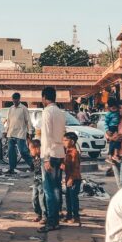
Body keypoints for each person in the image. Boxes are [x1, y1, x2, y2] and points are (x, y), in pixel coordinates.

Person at [39, 87, 65, 233]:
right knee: (56, 188)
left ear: (44, 98)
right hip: (59, 152)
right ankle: (55, 219)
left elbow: (47, 135)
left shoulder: (47, 112)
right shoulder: (61, 112)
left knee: (49, 190)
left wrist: (47, 158)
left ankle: (52, 221)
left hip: (49, 154)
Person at [4, 92, 33, 175]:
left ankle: (32, 165)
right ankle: (12, 168)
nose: (14, 101)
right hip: (11, 133)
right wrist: (6, 131)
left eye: (16, 99)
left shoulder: (23, 108)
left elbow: (28, 121)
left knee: (23, 151)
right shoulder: (10, 108)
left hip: (20, 133)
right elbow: (8, 121)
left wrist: (30, 131)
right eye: (13, 100)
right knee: (11, 152)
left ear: (19, 99)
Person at [62, 131, 82, 225]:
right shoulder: (67, 151)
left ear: (72, 142)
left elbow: (75, 167)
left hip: (74, 179)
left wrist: (71, 179)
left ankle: (76, 217)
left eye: (66, 140)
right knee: (68, 198)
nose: (64, 142)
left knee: (73, 198)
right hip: (68, 178)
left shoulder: (74, 153)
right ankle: (69, 215)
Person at [28, 139, 46, 223]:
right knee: (34, 198)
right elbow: (32, 169)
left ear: (37, 149)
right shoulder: (34, 158)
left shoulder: (42, 159)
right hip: (36, 182)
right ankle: (38, 214)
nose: (30, 151)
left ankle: (44, 216)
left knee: (42, 199)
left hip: (42, 182)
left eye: (31, 149)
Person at [104, 98, 121, 165]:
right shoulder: (108, 114)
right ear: (109, 108)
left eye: (115, 107)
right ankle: (111, 156)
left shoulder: (118, 113)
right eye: (112, 108)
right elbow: (105, 123)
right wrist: (107, 130)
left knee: (117, 141)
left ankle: (114, 155)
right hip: (111, 129)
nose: (114, 109)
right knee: (113, 141)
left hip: (117, 128)